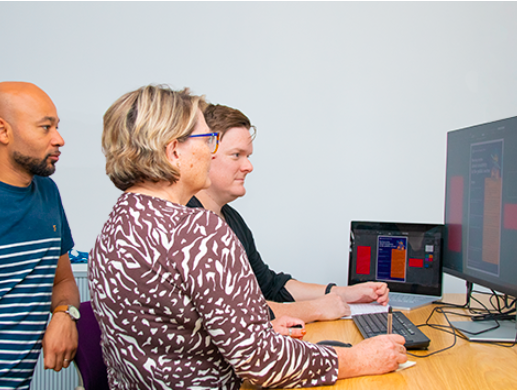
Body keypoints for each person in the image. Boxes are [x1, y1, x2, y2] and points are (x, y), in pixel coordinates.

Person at [89, 84, 407, 390]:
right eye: (207, 140)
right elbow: (261, 361)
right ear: (174, 150)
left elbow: (171, 333)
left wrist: (257, 332)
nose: (210, 150)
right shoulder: (197, 232)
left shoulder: (113, 228)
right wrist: (358, 359)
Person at [187, 104, 390, 323]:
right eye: (236, 155)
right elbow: (237, 310)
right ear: (205, 153)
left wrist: (343, 293)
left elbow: (269, 286)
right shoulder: (190, 223)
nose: (248, 166)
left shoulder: (232, 219)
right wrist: (316, 309)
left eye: (248, 156)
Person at [0, 82, 80, 389]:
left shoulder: (47, 193)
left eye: (57, 127)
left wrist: (64, 315)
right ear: (2, 131)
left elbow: (62, 281)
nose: (58, 139)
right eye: (45, 128)